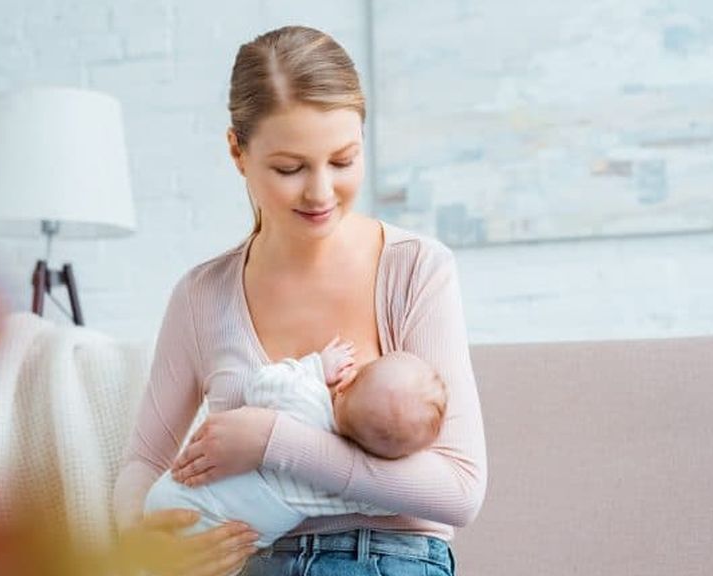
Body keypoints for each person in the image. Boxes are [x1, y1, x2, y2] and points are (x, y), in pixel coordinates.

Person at [113, 24, 487, 576]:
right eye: (290, 168)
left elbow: (460, 488)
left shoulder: (415, 270)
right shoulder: (202, 296)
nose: (320, 192)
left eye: (342, 161)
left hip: (389, 560)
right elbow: (144, 460)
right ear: (237, 152)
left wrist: (273, 442)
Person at [143, 337, 448, 551]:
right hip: (226, 541)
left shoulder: (302, 396)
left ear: (345, 383)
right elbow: (389, 500)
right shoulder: (342, 490)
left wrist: (315, 367)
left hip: (176, 498)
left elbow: (261, 383)